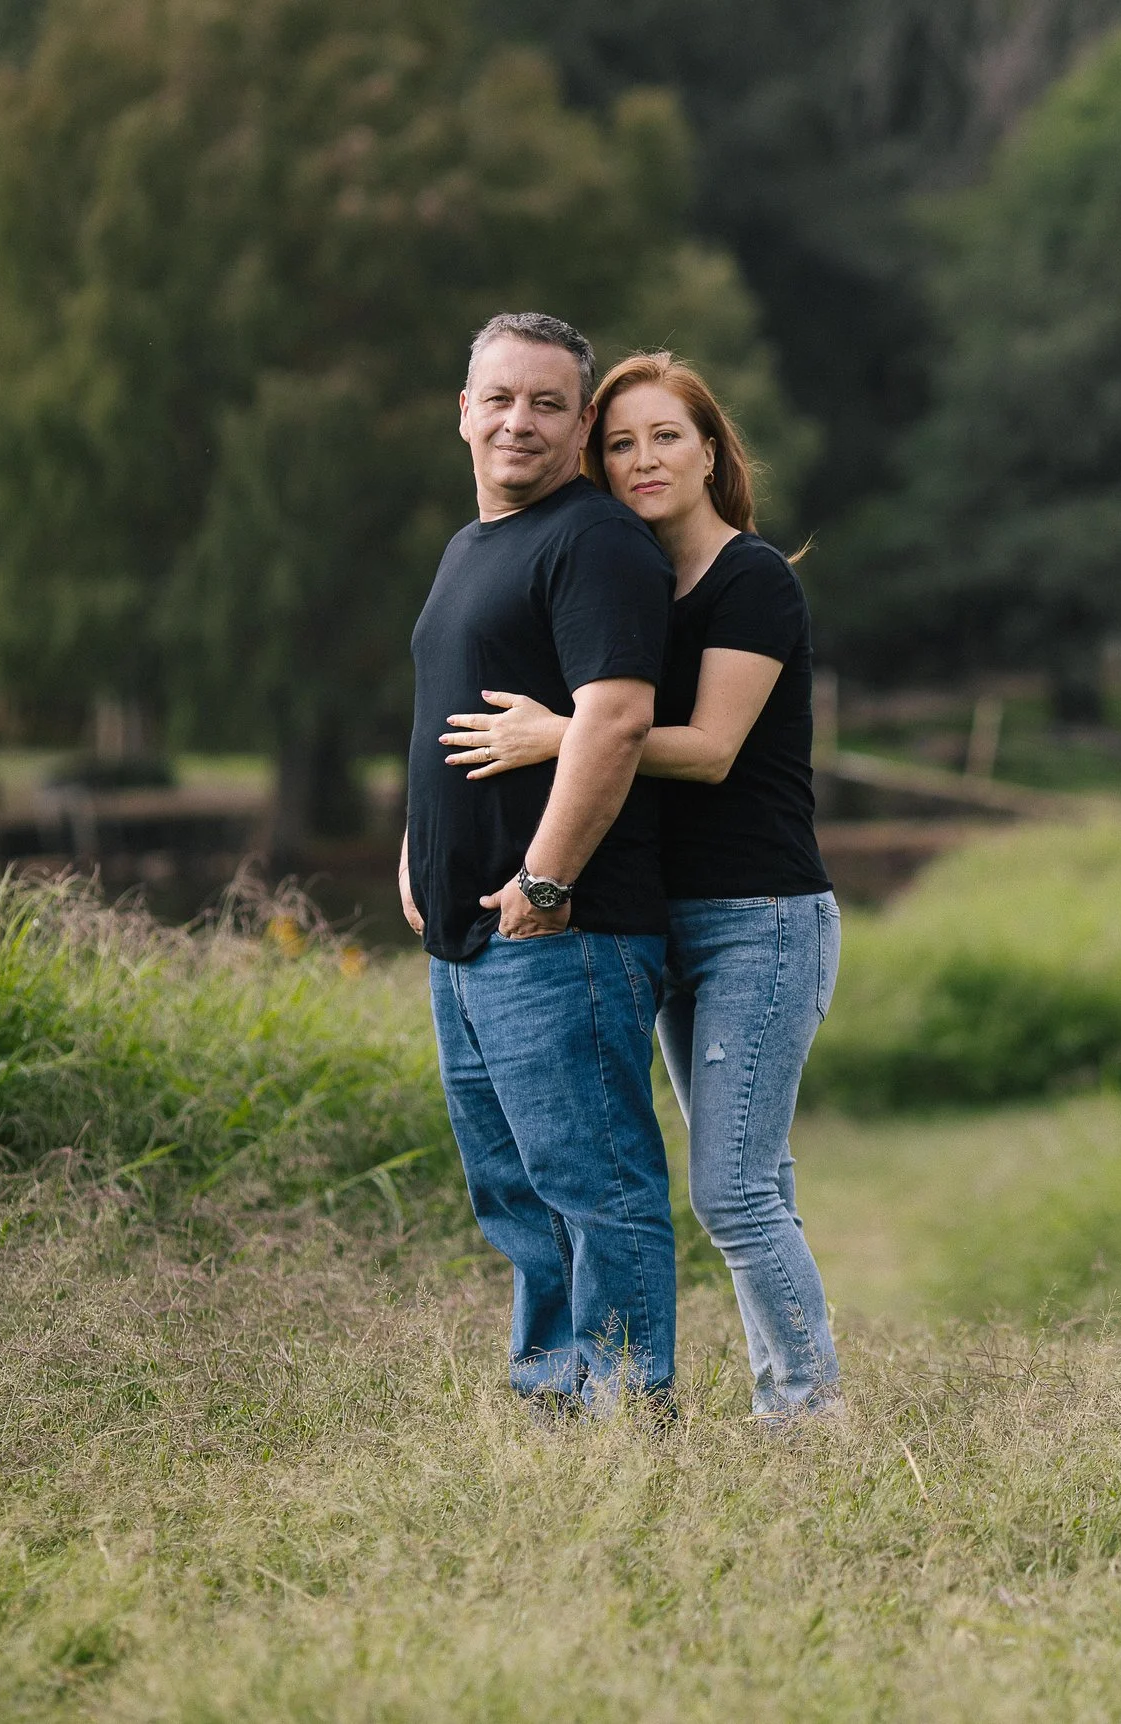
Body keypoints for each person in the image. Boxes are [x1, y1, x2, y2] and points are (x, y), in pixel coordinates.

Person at [440, 352, 842, 1421]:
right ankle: (784, 1393)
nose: (642, 459)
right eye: (618, 442)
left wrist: (557, 733)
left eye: (666, 435)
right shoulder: (634, 586)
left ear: (710, 449)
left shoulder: (751, 578)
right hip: (672, 917)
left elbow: (709, 748)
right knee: (754, 1183)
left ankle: (807, 1414)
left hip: (761, 916)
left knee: (734, 1188)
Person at [401, 312, 677, 1414]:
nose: (519, 421)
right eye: (500, 398)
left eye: (548, 403)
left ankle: (626, 1416)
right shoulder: (471, 547)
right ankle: (552, 1401)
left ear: (579, 425)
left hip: (565, 929)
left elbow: (613, 721)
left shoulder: (594, 541)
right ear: (462, 411)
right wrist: (416, 851)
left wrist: (545, 882)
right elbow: (439, 715)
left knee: (595, 1187)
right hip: (469, 937)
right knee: (515, 1194)